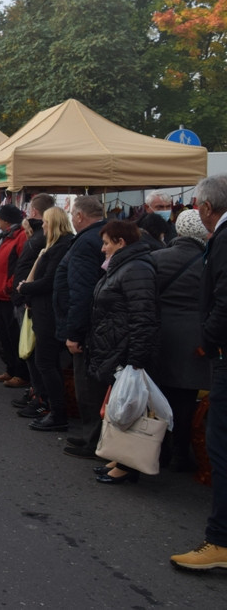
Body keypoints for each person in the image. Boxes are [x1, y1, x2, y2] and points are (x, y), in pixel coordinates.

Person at [172, 174, 227, 569]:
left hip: (223, 352)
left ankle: (220, 541)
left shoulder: (222, 240)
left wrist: (209, 338)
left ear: (207, 208)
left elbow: (223, 299)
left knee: (221, 445)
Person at [86, 220, 157, 485]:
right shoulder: (123, 266)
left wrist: (136, 358)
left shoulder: (135, 268)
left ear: (121, 242)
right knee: (118, 406)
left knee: (129, 408)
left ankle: (128, 465)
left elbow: (143, 317)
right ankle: (119, 458)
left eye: (106, 243)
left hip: (125, 350)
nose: (103, 249)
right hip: (116, 346)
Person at [150, 209, 209, 471]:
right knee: (185, 399)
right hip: (193, 338)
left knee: (158, 395)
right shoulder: (209, 262)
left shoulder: (156, 258)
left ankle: (158, 451)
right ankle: (181, 454)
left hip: (160, 334)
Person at [53, 195, 108, 458]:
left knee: (87, 386)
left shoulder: (87, 241)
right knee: (90, 385)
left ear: (78, 216)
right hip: (96, 324)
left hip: (87, 327)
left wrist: (74, 332)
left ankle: (94, 440)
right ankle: (91, 436)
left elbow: (81, 291)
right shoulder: (99, 236)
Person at [16, 206, 75, 431]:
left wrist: (25, 288)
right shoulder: (56, 246)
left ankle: (56, 411)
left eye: (46, 222)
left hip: (48, 313)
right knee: (46, 362)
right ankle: (52, 407)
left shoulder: (60, 247)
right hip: (44, 311)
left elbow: (50, 281)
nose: (43, 226)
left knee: (45, 362)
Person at [9, 194, 55, 407]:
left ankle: (40, 395)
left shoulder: (40, 239)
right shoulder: (37, 236)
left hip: (30, 300)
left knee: (32, 350)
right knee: (30, 350)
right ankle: (36, 391)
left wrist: (25, 293)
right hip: (26, 297)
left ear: (34, 212)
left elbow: (38, 272)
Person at [0, 204, 31, 389]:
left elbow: (22, 265)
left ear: (6, 220)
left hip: (8, 295)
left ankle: (20, 373)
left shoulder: (19, 236)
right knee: (2, 334)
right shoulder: (5, 237)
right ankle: (11, 369)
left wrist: (9, 285)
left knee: (13, 336)